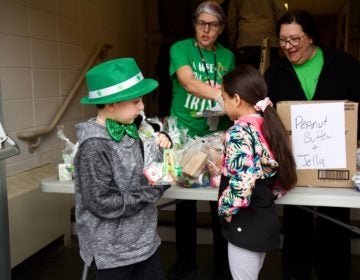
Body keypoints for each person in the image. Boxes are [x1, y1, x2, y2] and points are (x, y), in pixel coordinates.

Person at [264, 9, 360, 280]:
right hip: (293, 163)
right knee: (296, 218)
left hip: (336, 160)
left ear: (311, 37)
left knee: (335, 218)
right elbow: (265, 114)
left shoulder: (343, 64)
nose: (289, 47)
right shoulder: (275, 72)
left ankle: (335, 273)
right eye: (283, 41)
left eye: (295, 39)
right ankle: (296, 272)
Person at [73, 57, 172, 280]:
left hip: (145, 242)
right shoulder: (94, 146)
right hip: (112, 252)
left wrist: (163, 149)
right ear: (111, 103)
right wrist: (154, 190)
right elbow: (103, 202)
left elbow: (150, 168)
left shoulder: (136, 129)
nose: (143, 106)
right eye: (136, 101)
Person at [168, 1, 235, 279]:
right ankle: (186, 259)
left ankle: (222, 264)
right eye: (201, 23)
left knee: (219, 199)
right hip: (185, 134)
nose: (206, 30)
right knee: (184, 200)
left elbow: (232, 87)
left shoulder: (227, 56)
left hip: (216, 136)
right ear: (194, 24)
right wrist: (224, 97)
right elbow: (188, 82)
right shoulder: (180, 48)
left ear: (221, 28)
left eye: (213, 24)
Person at [217, 65, 297, 280]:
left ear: (236, 99)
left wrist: (225, 209)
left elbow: (243, 179)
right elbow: (281, 174)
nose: (223, 104)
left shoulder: (239, 131)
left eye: (223, 98)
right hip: (264, 218)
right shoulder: (269, 126)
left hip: (245, 222)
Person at [226, 0, 287, 68]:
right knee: (270, 75)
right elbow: (280, 9)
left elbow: (231, 20)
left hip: (245, 40)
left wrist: (232, 44)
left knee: (246, 76)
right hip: (269, 39)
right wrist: (280, 35)